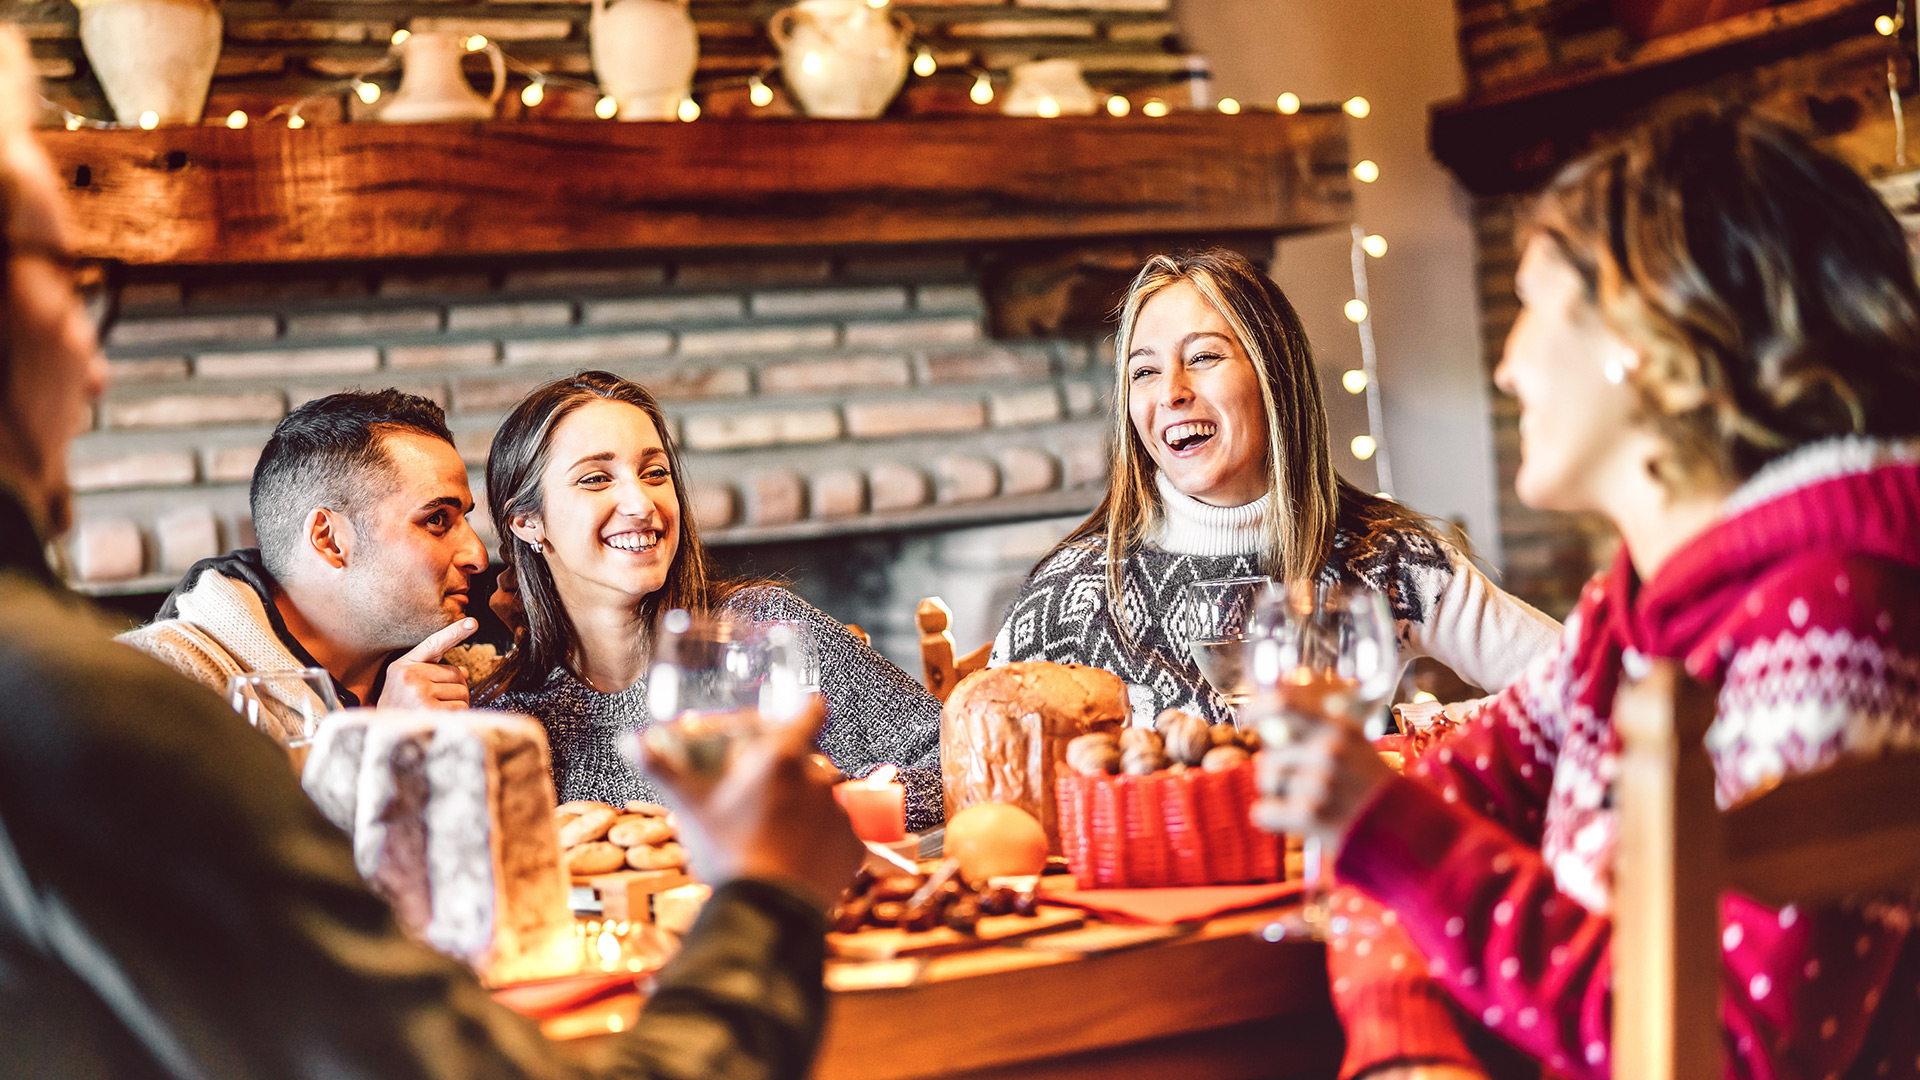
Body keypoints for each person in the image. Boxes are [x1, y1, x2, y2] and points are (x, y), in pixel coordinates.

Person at [0, 27, 865, 1075]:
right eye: (74, 279)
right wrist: (767, 895)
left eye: (654, 470)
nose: (95, 368)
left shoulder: (456, 685)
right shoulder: (111, 705)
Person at [1256, 108, 1920, 1080]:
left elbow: (1724, 1052)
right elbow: (1432, 813)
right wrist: (1409, 1043)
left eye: (1531, 306)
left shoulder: (1833, 620)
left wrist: (1386, 836)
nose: (1508, 362)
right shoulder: (1638, 607)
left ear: (1639, 342)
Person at [991, 247, 1560, 727]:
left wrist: (1414, 730)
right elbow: (979, 762)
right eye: (1143, 371)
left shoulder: (1383, 556)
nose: (1171, 391)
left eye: (1204, 356)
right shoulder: (1072, 593)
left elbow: (1580, 686)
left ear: (1274, 376)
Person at [476, 371, 946, 831]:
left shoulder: (764, 629)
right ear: (526, 522)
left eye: (655, 472)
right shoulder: (508, 716)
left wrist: (831, 810)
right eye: (596, 479)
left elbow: (958, 758)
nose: (641, 504)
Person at [121, 389, 499, 712]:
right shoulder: (153, 687)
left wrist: (542, 641)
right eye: (436, 520)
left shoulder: (460, 678)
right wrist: (379, 745)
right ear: (329, 540)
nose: (478, 556)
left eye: (463, 518)